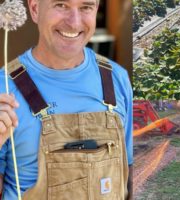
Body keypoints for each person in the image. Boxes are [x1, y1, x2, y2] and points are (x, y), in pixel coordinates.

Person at [0, 0, 133, 199]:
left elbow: (129, 174)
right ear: (35, 9)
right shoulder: (5, 88)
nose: (74, 22)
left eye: (85, 7)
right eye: (61, 5)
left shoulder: (117, 78)